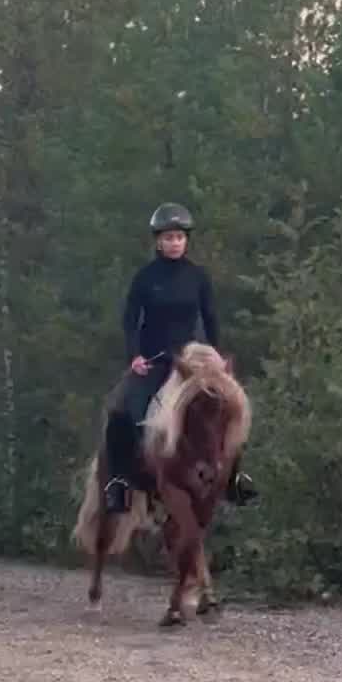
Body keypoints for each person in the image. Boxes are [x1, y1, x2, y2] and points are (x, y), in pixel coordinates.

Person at [103, 203, 257, 515]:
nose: (174, 242)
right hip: (156, 361)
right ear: (157, 241)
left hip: (194, 362)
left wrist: (217, 355)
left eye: (179, 237)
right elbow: (130, 319)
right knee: (121, 410)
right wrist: (134, 356)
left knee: (232, 407)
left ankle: (235, 477)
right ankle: (118, 482)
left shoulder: (197, 277)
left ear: (186, 240)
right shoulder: (145, 278)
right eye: (168, 237)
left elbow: (210, 317)